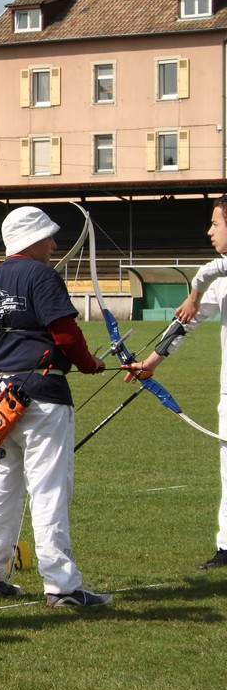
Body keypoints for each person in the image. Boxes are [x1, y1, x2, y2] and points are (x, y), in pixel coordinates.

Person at [0, 206, 111, 608]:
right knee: (49, 489)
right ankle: (62, 587)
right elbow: (65, 334)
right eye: (48, 237)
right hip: (41, 394)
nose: (54, 244)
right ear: (32, 240)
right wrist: (89, 364)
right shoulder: (43, 275)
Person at [123, 194, 227, 570]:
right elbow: (188, 321)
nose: (209, 230)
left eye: (216, 223)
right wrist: (150, 363)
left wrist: (196, 289)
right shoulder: (220, 278)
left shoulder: (215, 273)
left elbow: (207, 272)